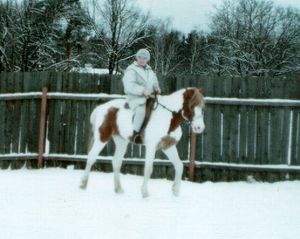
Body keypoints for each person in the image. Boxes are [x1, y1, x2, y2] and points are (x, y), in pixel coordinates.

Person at [122, 49, 161, 143]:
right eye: (140, 57)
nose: (142, 60)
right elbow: (129, 85)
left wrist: (156, 88)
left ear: (147, 59)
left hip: (149, 97)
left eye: (144, 58)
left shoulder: (150, 70)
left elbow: (154, 82)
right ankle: (135, 134)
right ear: (137, 58)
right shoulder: (131, 69)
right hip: (135, 98)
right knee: (141, 111)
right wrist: (143, 91)